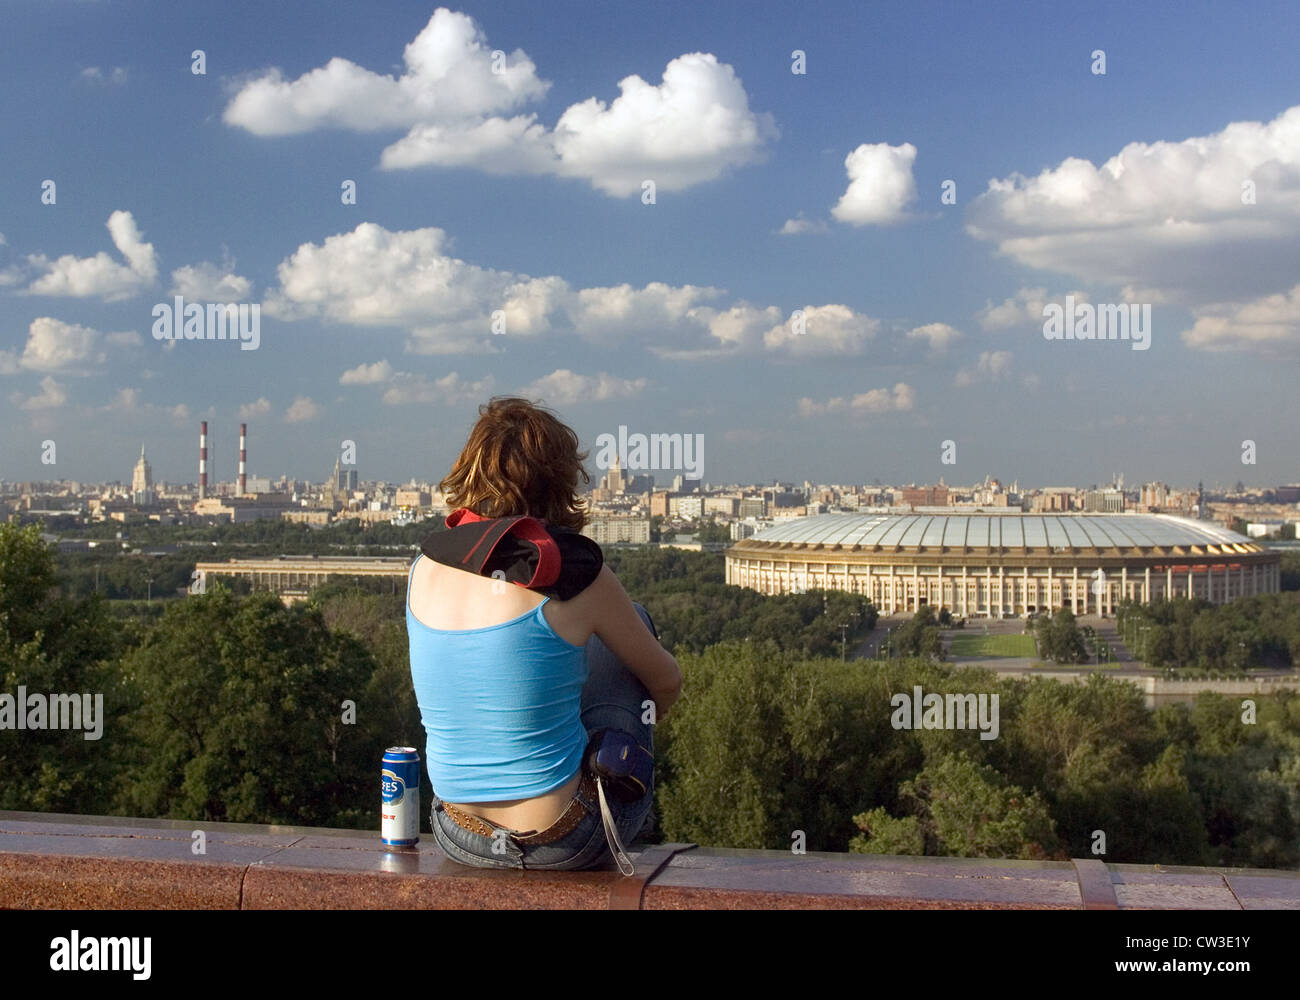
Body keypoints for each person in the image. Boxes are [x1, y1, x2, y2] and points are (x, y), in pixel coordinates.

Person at [406, 397, 682, 872]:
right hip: (565, 839)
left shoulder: (425, 565)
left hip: (455, 832)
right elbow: (667, 683)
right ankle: (623, 794)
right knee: (631, 622)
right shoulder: (574, 573)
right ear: (559, 479)